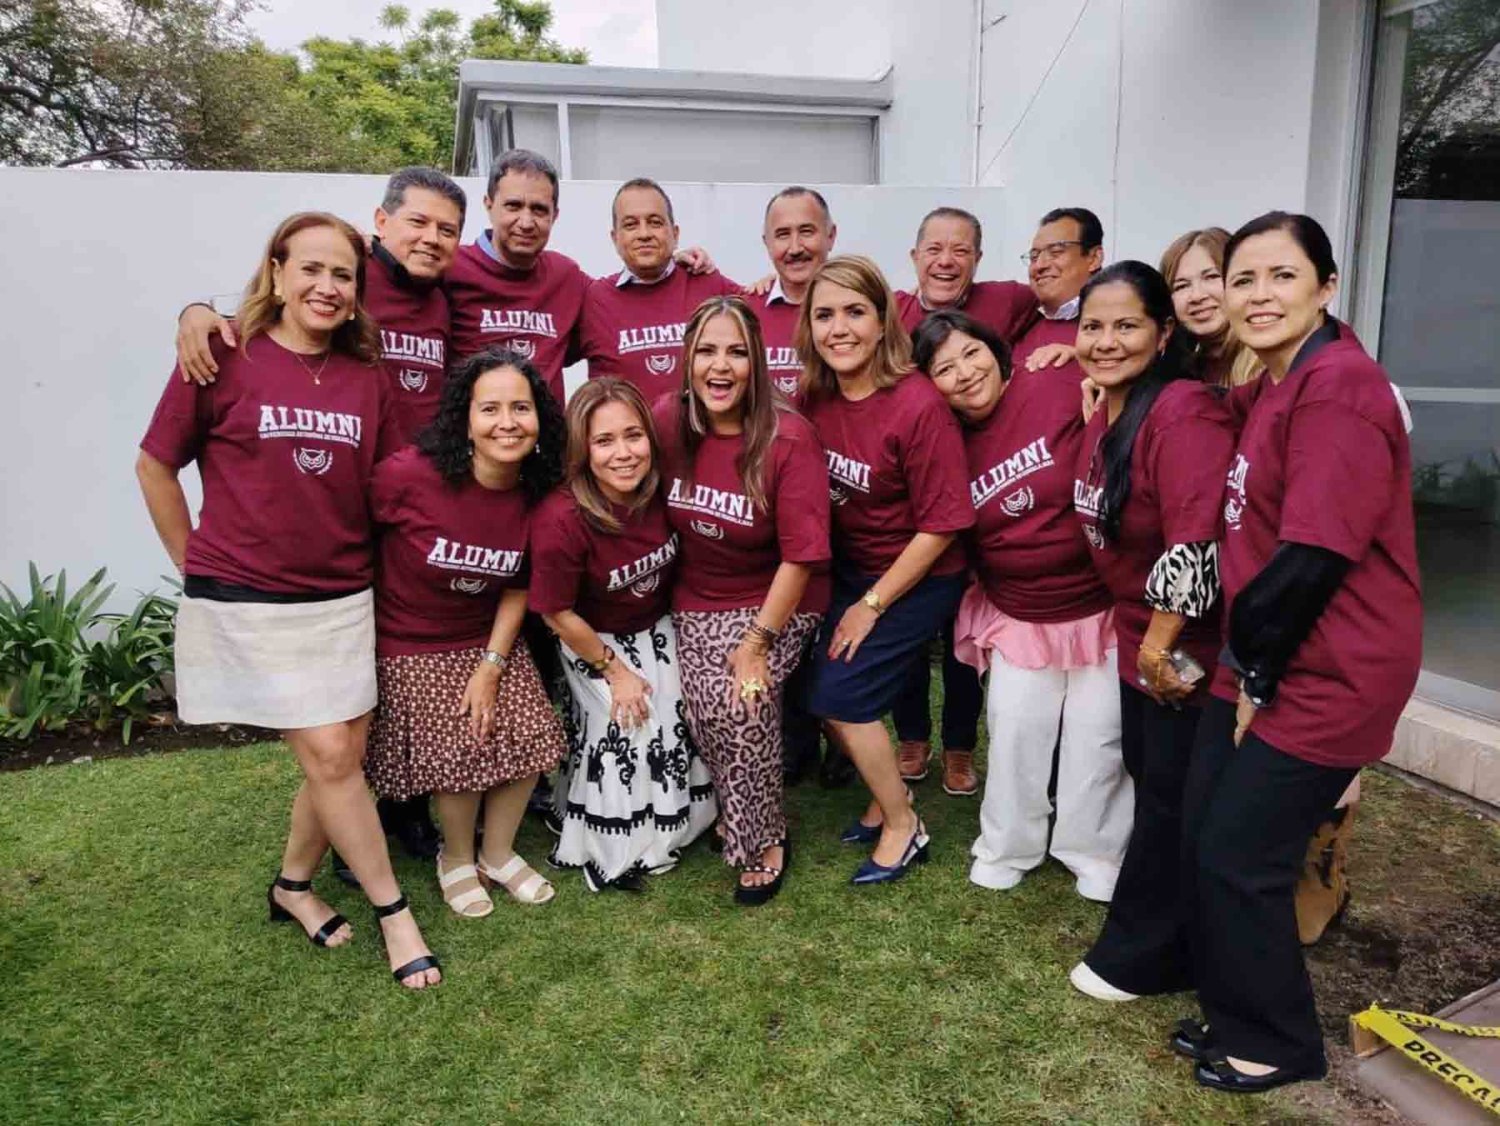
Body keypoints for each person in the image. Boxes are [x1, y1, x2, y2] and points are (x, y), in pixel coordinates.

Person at [136, 212, 440, 988]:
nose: (326, 286)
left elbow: (393, 480)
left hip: (343, 597)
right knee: (333, 756)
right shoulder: (223, 356)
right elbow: (155, 466)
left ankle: (294, 887)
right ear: (276, 272)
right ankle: (394, 914)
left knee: (339, 760)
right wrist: (193, 563)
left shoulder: (365, 373)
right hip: (249, 602)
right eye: (310, 269)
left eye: (342, 275)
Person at [1179, 213, 1420, 1094]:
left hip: (1330, 667)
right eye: (1243, 279)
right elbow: (1204, 388)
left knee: (1243, 855)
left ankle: (1279, 1040)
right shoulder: (1282, 378)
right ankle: (1237, 1008)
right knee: (1207, 837)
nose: (1255, 296)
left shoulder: (1339, 389)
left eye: (1282, 276)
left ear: (1326, 286)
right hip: (1270, 656)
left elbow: (1314, 558)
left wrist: (1259, 681)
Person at [172, 167, 471, 866]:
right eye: (418, 222)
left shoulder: (448, 296)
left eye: (447, 230)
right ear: (382, 222)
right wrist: (195, 308)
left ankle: (396, 811)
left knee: (383, 686)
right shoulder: (341, 273)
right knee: (339, 722)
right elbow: (270, 304)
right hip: (319, 534)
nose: (431, 239)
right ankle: (360, 832)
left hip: (404, 509)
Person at [1064, 260, 1236, 1006]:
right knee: (1155, 787)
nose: (1106, 340)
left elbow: (1195, 540)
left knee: (1172, 801)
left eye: (1126, 324)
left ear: (1165, 332)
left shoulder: (1183, 411)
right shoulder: (1110, 408)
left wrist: (1160, 644)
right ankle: (1170, 941)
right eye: (1092, 326)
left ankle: (1146, 956)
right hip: (1139, 640)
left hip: (1181, 651)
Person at [914, 310, 1123, 900]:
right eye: (944, 368)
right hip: (1020, 612)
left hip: (1098, 607)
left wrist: (1075, 356)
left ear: (996, 349)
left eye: (971, 353)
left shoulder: (1053, 381)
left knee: (1099, 734)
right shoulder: (943, 439)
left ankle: (1094, 851)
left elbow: (1120, 370)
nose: (964, 373)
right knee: (1014, 729)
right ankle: (1009, 844)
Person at [363, 348, 569, 916]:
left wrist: (492, 664)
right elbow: (351, 530)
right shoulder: (410, 476)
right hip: (410, 642)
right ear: (466, 421)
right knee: (464, 741)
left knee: (529, 734)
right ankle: (455, 856)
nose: (507, 422)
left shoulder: (537, 492)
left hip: (486, 639)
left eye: (521, 408)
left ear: (539, 419)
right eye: (491, 409)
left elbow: (519, 586)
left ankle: (497, 853)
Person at [798, 255, 975, 884]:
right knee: (826, 694)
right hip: (853, 569)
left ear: (882, 322)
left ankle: (904, 827)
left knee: (842, 699)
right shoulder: (815, 395)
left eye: (854, 312)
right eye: (824, 314)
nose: (838, 328)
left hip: (919, 575)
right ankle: (881, 796)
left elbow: (944, 524)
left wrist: (870, 605)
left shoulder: (916, 404)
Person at [655, 296, 831, 903]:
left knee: (744, 705)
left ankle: (764, 835)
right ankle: (733, 803)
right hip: (699, 597)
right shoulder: (667, 421)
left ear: (757, 361)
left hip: (779, 598)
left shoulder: (789, 438)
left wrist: (758, 643)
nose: (720, 366)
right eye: (706, 350)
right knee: (703, 708)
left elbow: (803, 555)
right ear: (687, 359)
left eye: (736, 352)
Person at [530, 378, 717, 891]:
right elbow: (555, 612)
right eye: (604, 441)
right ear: (581, 449)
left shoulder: (661, 493)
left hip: (656, 625)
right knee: (631, 720)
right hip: (593, 635)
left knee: (681, 709)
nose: (623, 454)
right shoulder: (561, 518)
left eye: (633, 436)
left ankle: (685, 821)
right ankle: (624, 840)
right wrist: (616, 673)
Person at [743, 187, 853, 789]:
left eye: (807, 231)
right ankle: (792, 746)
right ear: (766, 245)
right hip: (770, 503)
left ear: (830, 236)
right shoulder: (749, 309)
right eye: (782, 235)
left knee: (830, 636)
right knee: (782, 624)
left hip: (848, 503)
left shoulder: (859, 306)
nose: (795, 245)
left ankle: (843, 739)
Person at [445, 150, 591, 408]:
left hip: (547, 445)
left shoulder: (567, 277)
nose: (526, 222)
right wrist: (361, 246)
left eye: (538, 210)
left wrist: (672, 263)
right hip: (471, 443)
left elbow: (623, 299)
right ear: (489, 205)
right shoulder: (450, 268)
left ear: (554, 215)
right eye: (513, 206)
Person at [578, 178, 740, 403]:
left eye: (655, 222)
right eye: (631, 224)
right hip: (627, 437)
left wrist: (780, 276)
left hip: (699, 436)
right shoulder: (593, 299)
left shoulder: (710, 285)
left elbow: (775, 305)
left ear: (675, 233)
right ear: (615, 238)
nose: (644, 234)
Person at [1158, 228, 1261, 389]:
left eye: (1211, 277)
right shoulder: (1184, 373)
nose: (1197, 296)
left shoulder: (1270, 364)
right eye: (1182, 286)